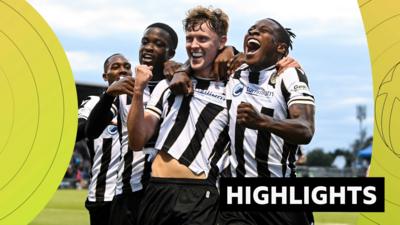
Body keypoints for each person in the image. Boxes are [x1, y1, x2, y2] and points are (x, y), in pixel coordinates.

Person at [127, 6, 231, 225]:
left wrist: (234, 51)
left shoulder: (232, 89)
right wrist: (138, 91)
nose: (194, 45)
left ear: (221, 42)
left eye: (202, 38)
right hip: (155, 190)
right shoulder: (167, 85)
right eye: (190, 38)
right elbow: (137, 141)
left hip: (199, 193)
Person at [219, 18, 315, 225]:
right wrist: (180, 68)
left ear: (280, 48)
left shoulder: (289, 75)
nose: (252, 33)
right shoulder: (234, 72)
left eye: (261, 31)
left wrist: (262, 121)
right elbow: (198, 56)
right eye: (250, 30)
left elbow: (306, 129)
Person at [85, 23, 178, 225]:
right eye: (145, 42)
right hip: (128, 191)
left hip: (165, 192)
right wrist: (108, 95)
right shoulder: (126, 88)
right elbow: (91, 131)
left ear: (170, 53)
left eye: (158, 44)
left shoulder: (178, 86)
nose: (149, 47)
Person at [76, 53, 126, 225]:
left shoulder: (140, 104)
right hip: (103, 195)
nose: (122, 70)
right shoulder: (93, 103)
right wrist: (104, 112)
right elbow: (76, 133)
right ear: (105, 76)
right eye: (115, 66)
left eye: (126, 67)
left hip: (132, 195)